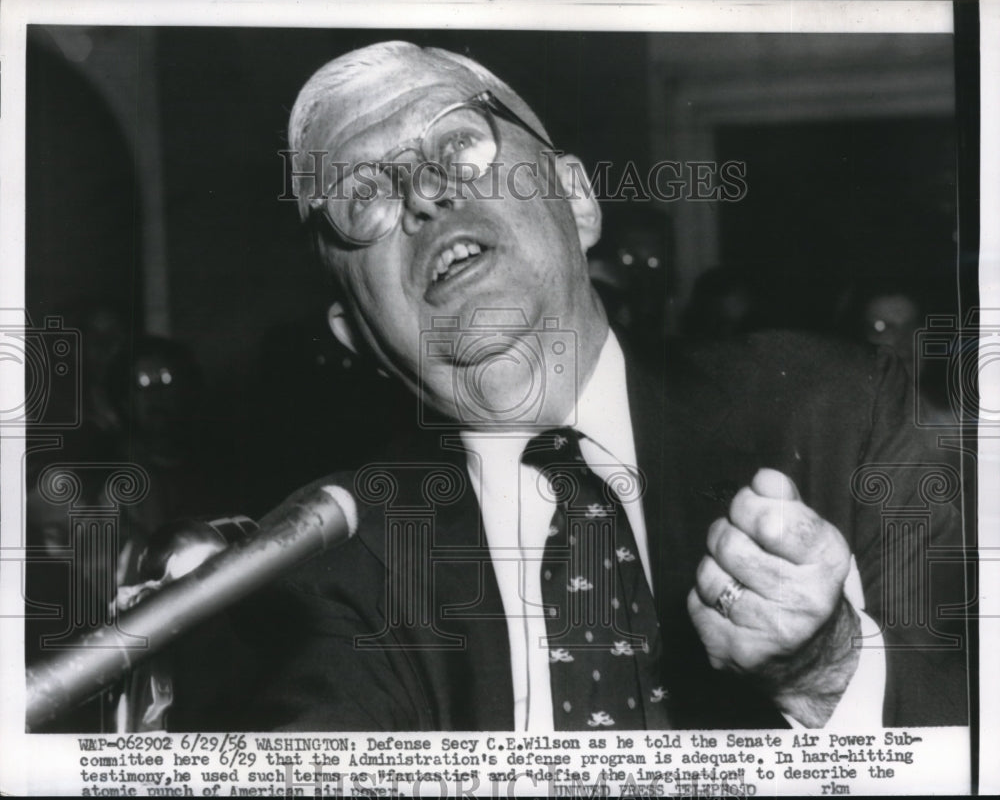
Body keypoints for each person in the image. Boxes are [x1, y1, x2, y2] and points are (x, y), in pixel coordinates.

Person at [228, 41, 968, 732]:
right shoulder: (334, 565)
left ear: (579, 200)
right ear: (354, 332)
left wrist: (827, 670)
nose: (422, 195)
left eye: (456, 144)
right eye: (362, 197)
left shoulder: (837, 411)